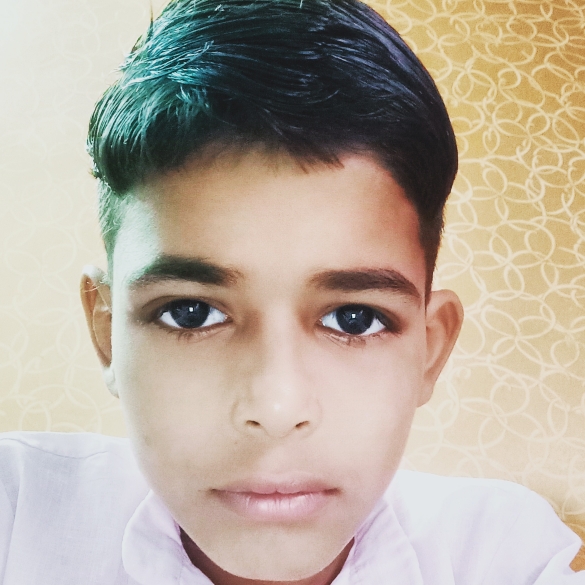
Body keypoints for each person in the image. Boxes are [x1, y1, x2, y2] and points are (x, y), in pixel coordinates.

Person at [0, 0, 583, 583]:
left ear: (430, 351)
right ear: (107, 331)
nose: (276, 409)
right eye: (191, 313)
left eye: (354, 318)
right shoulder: (16, 512)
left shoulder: (505, 554)